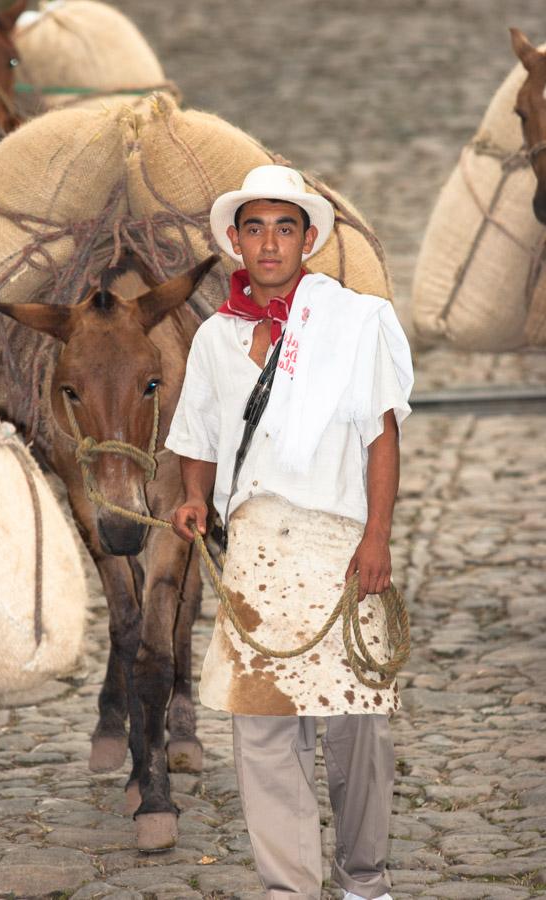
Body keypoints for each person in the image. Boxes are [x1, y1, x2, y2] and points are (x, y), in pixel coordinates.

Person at [165, 164, 413, 900]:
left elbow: (381, 437)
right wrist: (192, 498)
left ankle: (365, 880)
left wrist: (378, 538)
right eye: (254, 227)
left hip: (341, 543)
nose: (269, 242)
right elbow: (199, 433)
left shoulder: (356, 322)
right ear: (237, 242)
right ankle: (290, 890)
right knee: (264, 726)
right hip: (258, 552)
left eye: (284, 227)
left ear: (307, 239)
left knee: (356, 726)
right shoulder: (213, 337)